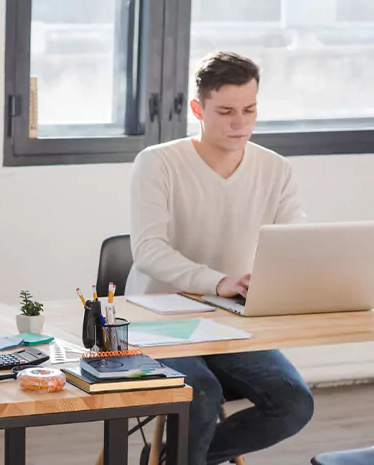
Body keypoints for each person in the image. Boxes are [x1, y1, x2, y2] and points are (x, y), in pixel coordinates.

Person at [125, 51, 314, 465]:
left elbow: (296, 246)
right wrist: (217, 281)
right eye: (226, 111)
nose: (240, 122)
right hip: (156, 321)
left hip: (230, 322)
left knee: (294, 403)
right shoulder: (158, 163)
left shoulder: (276, 169)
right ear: (198, 108)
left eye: (249, 110)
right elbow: (149, 251)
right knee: (201, 394)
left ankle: (169, 459)